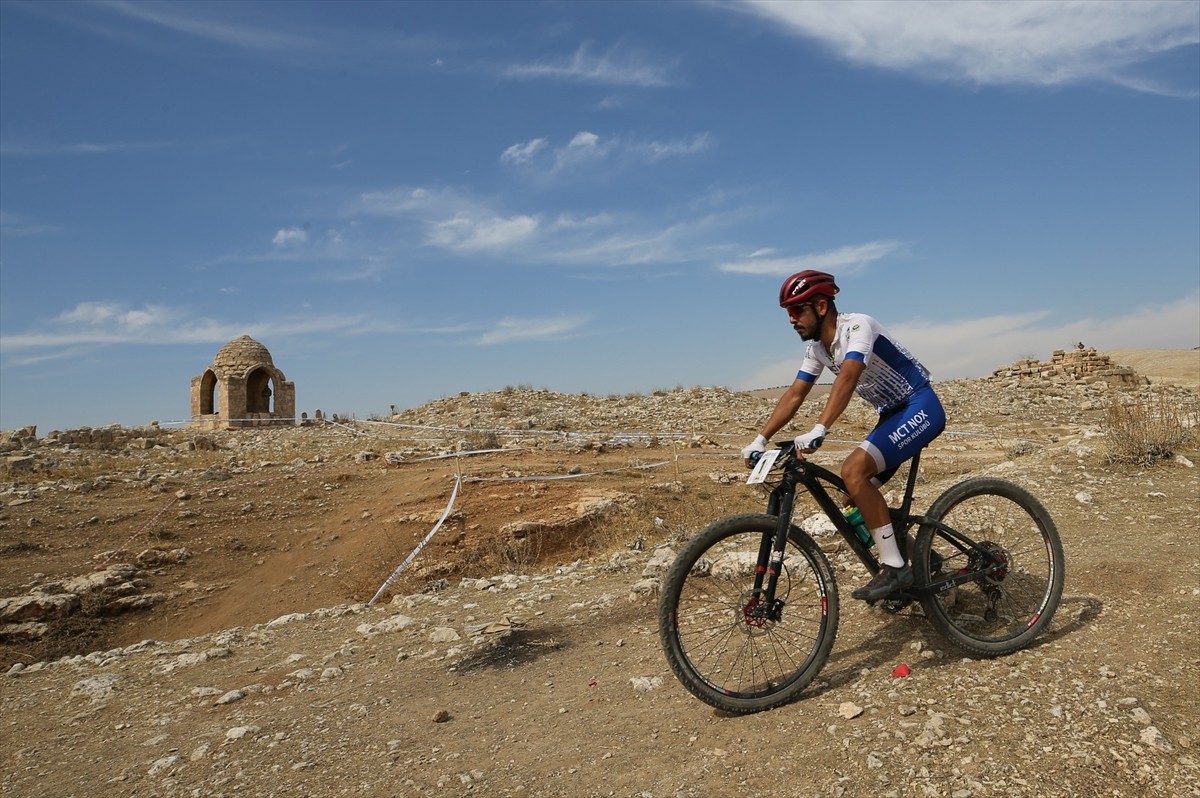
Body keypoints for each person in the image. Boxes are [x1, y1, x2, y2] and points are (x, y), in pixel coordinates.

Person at [741, 270, 946, 601]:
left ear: (821, 306)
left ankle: (895, 567)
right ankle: (924, 560)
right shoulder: (817, 350)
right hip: (892, 415)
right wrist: (760, 438)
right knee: (854, 500)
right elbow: (794, 394)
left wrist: (821, 428)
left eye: (796, 311)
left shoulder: (857, 327)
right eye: (787, 313)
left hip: (919, 404)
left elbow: (848, 377)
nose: (791, 320)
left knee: (852, 471)